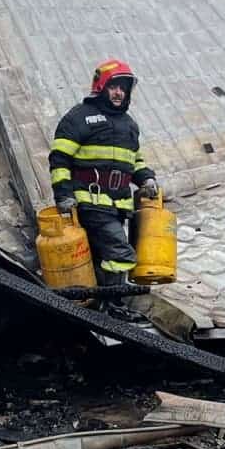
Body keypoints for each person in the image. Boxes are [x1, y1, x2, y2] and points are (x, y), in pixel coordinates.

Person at [48, 59, 159, 320]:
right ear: (101, 87)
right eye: (114, 86)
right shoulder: (79, 117)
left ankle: (101, 304)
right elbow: (59, 159)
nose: (119, 92)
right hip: (91, 201)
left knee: (103, 256)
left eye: (123, 87)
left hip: (118, 205)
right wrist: (63, 195)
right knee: (120, 254)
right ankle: (113, 306)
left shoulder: (129, 124)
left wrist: (146, 179)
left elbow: (135, 159)